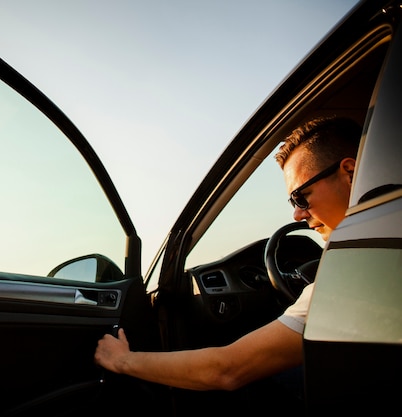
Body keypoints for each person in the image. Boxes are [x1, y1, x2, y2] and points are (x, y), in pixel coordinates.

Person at [94, 116, 362, 393]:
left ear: (350, 172)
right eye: (293, 202)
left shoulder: (353, 274)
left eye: (301, 196)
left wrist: (122, 360)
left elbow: (226, 369)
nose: (297, 214)